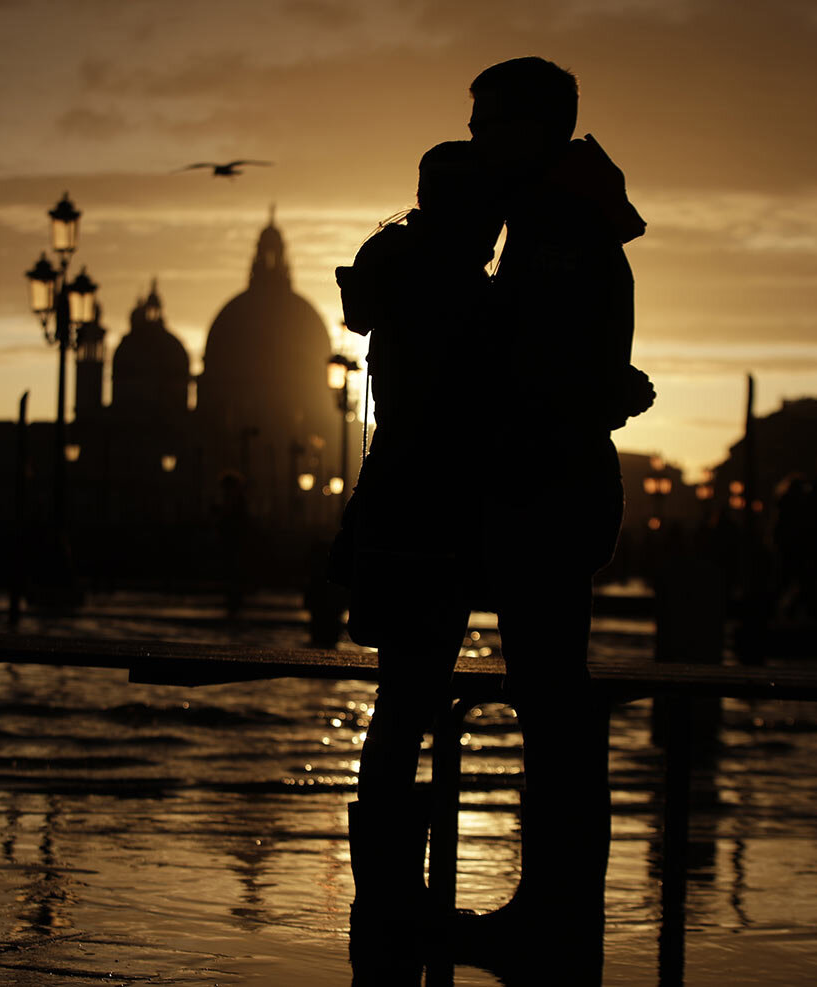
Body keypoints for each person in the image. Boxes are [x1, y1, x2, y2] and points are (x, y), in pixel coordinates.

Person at [461, 55, 653, 972]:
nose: (473, 139)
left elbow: (542, 372)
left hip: (545, 489)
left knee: (554, 709)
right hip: (559, 484)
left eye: (486, 122)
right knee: (554, 705)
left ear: (535, 129)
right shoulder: (564, 218)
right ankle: (554, 908)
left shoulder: (551, 229)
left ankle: (555, 915)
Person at [332, 140, 504, 940]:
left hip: (388, 499)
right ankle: (398, 895)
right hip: (437, 509)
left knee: (396, 705)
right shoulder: (462, 290)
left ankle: (388, 890)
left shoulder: (394, 264)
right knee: (411, 699)